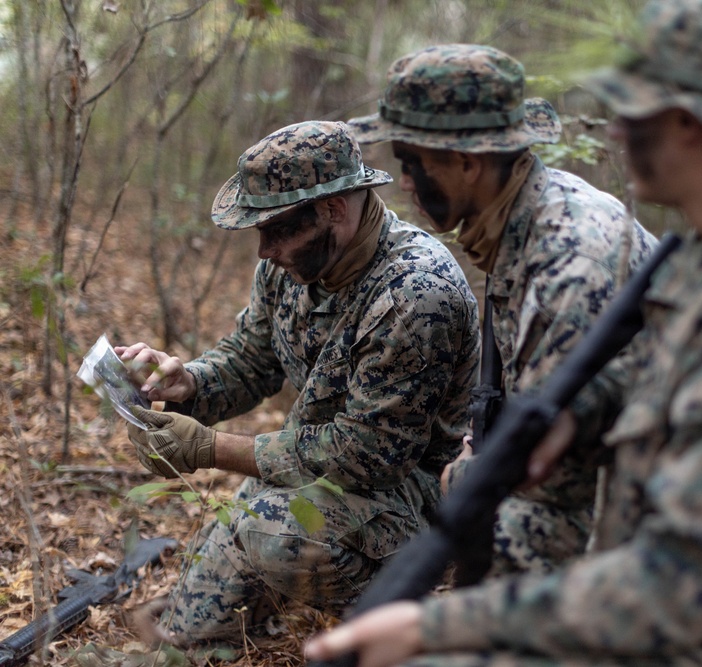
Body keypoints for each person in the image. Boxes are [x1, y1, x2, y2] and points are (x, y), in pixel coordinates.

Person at [303, 0, 702, 665]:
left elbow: (681, 587)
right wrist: (580, 411)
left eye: (633, 113)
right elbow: (669, 380)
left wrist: (435, 625)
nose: (617, 131)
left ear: (688, 124)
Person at [117, 120, 480, 646]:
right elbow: (250, 357)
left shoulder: (415, 293)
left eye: (278, 229)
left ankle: (416, 615)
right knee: (186, 638)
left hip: (417, 500)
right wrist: (188, 384)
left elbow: (367, 456)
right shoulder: (292, 266)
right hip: (313, 476)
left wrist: (210, 448)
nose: (264, 250)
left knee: (273, 530)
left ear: (334, 209)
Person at [347, 43, 657, 578]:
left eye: (412, 163)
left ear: (467, 164)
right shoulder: (515, 219)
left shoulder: (569, 259)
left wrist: (467, 479)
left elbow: (556, 481)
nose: (405, 181)